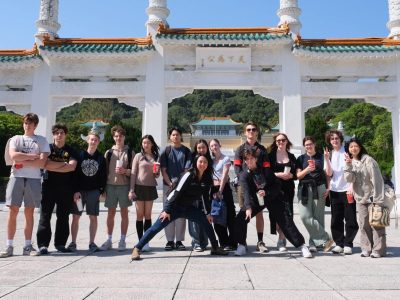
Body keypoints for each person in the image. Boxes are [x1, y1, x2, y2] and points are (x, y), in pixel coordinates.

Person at [130, 154, 228, 260]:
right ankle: (137, 248)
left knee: (206, 222)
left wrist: (208, 213)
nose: (202, 164)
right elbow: (176, 192)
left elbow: (205, 197)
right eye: (200, 162)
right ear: (195, 163)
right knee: (156, 228)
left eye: (205, 162)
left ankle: (215, 247)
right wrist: (167, 210)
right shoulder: (188, 175)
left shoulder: (207, 178)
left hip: (189, 208)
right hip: (174, 207)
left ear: (208, 164)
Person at [234, 149, 312, 258]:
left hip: (273, 197)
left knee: (285, 220)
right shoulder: (243, 175)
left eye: (252, 158)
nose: (249, 161)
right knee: (240, 218)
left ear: (256, 159)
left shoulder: (266, 171)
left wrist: (266, 192)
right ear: (245, 161)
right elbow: (246, 192)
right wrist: (247, 207)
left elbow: (277, 185)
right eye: (247, 159)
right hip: (255, 200)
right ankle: (241, 245)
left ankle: (302, 246)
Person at [0, 113, 50, 258]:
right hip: (16, 176)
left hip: (33, 178)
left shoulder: (41, 140)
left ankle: (28, 245)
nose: (27, 125)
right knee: (13, 211)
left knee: (29, 211)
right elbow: (13, 156)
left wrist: (23, 159)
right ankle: (9, 245)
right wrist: (32, 156)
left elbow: (42, 162)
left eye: (30, 123)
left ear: (35, 125)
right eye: (25, 123)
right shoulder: (16, 138)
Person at [36, 124, 78, 255]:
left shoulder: (71, 150)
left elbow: (72, 167)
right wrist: (63, 165)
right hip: (48, 187)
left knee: (63, 217)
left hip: (66, 188)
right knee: (44, 216)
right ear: (53, 135)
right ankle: (43, 245)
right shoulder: (47, 149)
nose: (59, 135)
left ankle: (60, 244)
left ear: (65, 135)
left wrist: (52, 166)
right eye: (57, 133)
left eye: (62, 133)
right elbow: (43, 164)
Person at [343, 138, 386, 258]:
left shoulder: (368, 160)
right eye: (351, 147)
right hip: (360, 198)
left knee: (376, 224)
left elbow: (377, 180)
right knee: (363, 224)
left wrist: (378, 199)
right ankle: (366, 248)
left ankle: (378, 250)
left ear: (360, 147)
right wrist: (348, 165)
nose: (353, 148)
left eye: (355, 146)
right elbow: (349, 179)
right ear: (348, 150)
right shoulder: (350, 162)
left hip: (373, 197)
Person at [67, 129, 107, 252]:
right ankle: (73, 242)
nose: (93, 141)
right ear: (87, 140)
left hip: (93, 192)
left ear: (98, 142)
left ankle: (92, 243)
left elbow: (103, 176)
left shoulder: (101, 158)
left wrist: (102, 190)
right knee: (76, 216)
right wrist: (75, 190)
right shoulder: (80, 156)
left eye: (95, 140)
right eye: (91, 139)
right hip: (80, 192)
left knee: (93, 217)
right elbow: (74, 175)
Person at [234, 122, 268, 253]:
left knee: (259, 212)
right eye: (248, 130)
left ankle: (260, 241)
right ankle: (242, 242)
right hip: (245, 186)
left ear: (257, 132)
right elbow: (237, 169)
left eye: (254, 129)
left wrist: (263, 184)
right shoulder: (240, 149)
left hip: (259, 186)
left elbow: (266, 169)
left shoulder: (262, 150)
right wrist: (244, 179)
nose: (251, 132)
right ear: (245, 132)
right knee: (244, 212)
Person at [296, 136, 334, 253]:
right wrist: (307, 169)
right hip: (304, 189)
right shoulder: (301, 158)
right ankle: (326, 238)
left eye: (310, 144)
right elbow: (298, 175)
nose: (308, 146)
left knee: (318, 217)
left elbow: (328, 174)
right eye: (306, 144)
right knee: (304, 216)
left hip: (320, 188)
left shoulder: (322, 157)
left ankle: (314, 243)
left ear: (314, 144)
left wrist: (328, 188)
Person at [99, 126, 134, 252]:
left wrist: (125, 171)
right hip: (111, 186)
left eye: (120, 136)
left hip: (124, 186)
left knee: (124, 213)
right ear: (113, 137)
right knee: (110, 213)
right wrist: (103, 189)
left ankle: (123, 240)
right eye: (116, 136)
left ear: (124, 137)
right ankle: (109, 240)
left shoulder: (130, 152)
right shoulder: (108, 153)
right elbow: (104, 172)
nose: (118, 138)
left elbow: (134, 172)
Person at [324, 130, 358, 255]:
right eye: (332, 139)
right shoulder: (330, 154)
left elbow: (355, 171)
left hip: (348, 190)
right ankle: (339, 243)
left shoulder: (347, 151)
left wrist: (352, 187)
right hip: (335, 190)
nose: (335, 140)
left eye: (337, 138)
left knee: (350, 218)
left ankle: (348, 243)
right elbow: (329, 173)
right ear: (329, 141)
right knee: (336, 219)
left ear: (341, 139)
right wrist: (327, 159)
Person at [159, 127, 191, 251]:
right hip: (169, 186)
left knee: (181, 214)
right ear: (170, 137)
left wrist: (179, 184)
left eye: (177, 134)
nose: (175, 137)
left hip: (182, 187)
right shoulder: (166, 151)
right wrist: (169, 183)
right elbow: (163, 170)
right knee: (167, 212)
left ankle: (179, 241)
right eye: (173, 135)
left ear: (181, 136)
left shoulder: (186, 151)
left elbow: (187, 169)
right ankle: (169, 241)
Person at [128, 135, 160, 252]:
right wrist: (131, 190)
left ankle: (146, 241)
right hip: (139, 187)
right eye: (144, 143)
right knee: (139, 215)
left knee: (148, 215)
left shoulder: (156, 157)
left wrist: (157, 173)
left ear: (152, 144)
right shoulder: (138, 156)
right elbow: (133, 173)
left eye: (148, 143)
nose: (145, 145)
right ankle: (140, 241)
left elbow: (157, 175)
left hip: (150, 187)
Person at [268, 132, 297, 252]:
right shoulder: (270, 156)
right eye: (278, 140)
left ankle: (282, 239)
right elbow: (267, 173)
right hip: (274, 189)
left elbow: (296, 174)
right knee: (275, 214)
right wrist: (278, 174)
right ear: (275, 142)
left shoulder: (291, 156)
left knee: (287, 213)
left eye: (283, 140)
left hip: (288, 188)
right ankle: (281, 236)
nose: (281, 142)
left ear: (287, 142)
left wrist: (290, 176)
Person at [209, 138, 236, 251]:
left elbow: (224, 175)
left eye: (216, 145)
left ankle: (233, 243)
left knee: (230, 215)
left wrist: (220, 191)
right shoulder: (210, 161)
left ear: (220, 145)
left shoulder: (225, 159)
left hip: (223, 189)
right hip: (213, 189)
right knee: (216, 215)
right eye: (212, 146)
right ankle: (223, 242)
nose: (214, 147)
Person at [188, 139, 211, 251]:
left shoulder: (209, 161)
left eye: (203, 147)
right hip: (192, 194)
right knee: (193, 220)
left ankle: (204, 241)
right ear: (196, 149)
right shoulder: (192, 159)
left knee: (204, 218)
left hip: (205, 193)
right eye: (199, 148)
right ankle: (196, 242)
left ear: (207, 148)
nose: (201, 150)